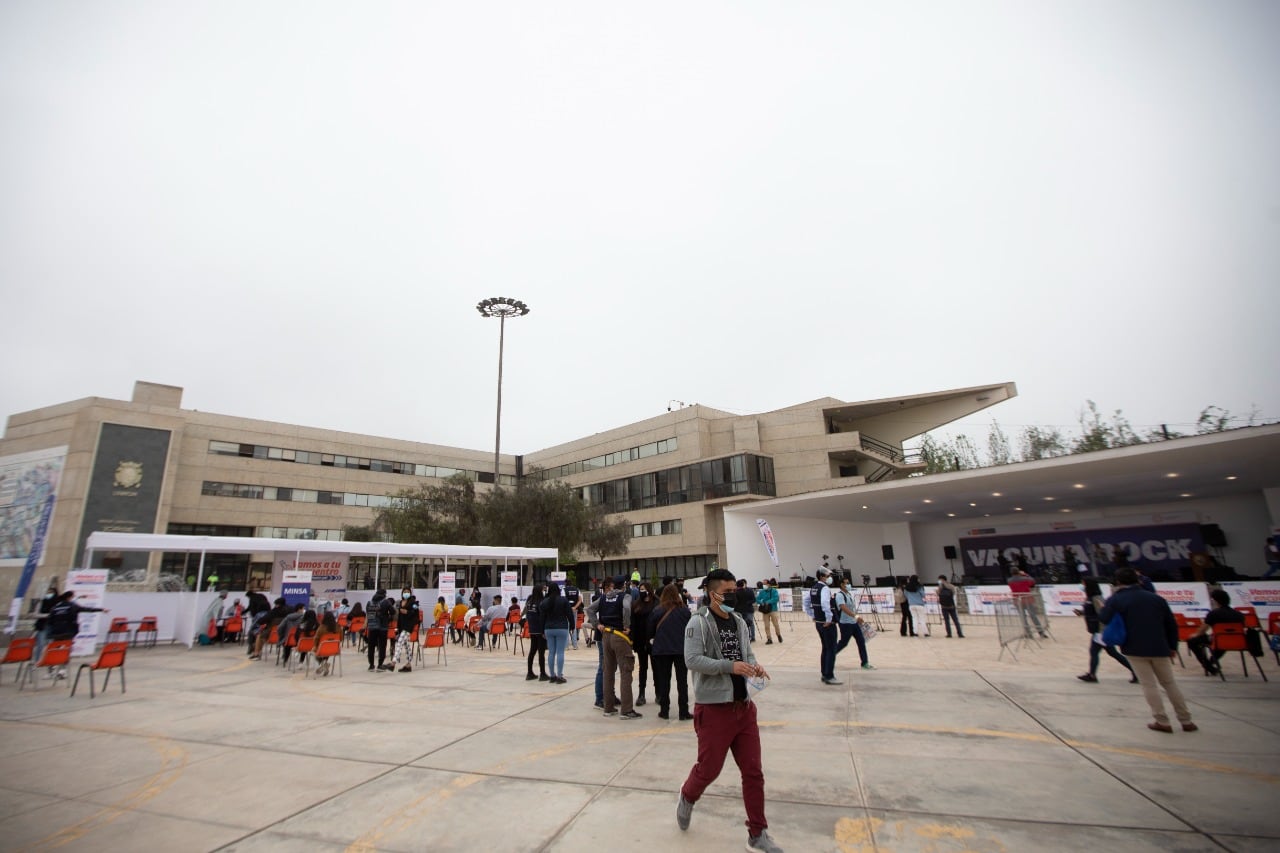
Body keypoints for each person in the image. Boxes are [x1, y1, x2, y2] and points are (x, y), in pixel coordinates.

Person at [678, 568, 781, 853]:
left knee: (753, 771)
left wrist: (754, 666)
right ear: (712, 594)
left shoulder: (738, 621)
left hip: (743, 708)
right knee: (709, 769)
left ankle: (757, 833)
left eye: (735, 591)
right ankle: (688, 795)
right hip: (714, 710)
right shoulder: (698, 623)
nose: (734, 596)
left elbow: (747, 654)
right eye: (728, 592)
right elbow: (692, 659)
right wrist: (729, 666)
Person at [1099, 567, 1197, 733]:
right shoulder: (1156, 598)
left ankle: (1162, 720)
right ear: (1138, 580)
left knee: (1149, 684)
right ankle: (1186, 719)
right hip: (1160, 645)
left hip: (1134, 647)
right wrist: (1172, 646)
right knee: (1169, 683)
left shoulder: (1117, 599)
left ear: (1118, 582)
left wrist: (1105, 605)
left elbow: (1104, 618)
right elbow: (1171, 624)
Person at [589, 576, 639, 718]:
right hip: (620, 636)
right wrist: (627, 625)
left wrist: (597, 624)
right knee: (626, 671)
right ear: (624, 585)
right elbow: (627, 608)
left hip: (606, 636)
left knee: (608, 672)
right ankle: (627, 710)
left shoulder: (604, 597)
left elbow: (590, 609)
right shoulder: (625, 596)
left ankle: (608, 707)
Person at [1075, 577, 1136, 683]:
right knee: (1110, 653)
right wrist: (1081, 612)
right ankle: (1135, 671)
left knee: (1098, 652)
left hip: (1100, 631)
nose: (1082, 586)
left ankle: (1092, 675)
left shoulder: (1096, 598)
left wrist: (1102, 631)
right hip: (1097, 630)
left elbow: (1103, 613)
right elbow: (1093, 611)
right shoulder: (1090, 598)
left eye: (1083, 584)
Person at [649, 582, 692, 720]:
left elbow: (650, 630)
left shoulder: (657, 610)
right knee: (682, 681)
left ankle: (664, 710)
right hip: (681, 649)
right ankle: (683, 711)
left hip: (662, 650)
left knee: (664, 681)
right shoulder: (685, 611)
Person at [1186, 588, 1246, 676]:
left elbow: (1202, 630)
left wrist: (1195, 634)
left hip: (1218, 640)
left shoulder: (1214, 613)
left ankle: (1208, 666)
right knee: (1224, 638)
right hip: (1238, 641)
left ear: (1215, 601)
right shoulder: (1239, 615)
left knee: (1192, 641)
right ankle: (1212, 660)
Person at [833, 576, 873, 670]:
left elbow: (852, 608)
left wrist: (857, 618)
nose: (849, 585)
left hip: (854, 623)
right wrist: (855, 616)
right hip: (845, 623)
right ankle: (830, 655)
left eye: (849, 583)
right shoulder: (840, 595)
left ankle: (864, 662)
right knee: (843, 643)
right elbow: (843, 608)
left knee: (861, 642)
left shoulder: (848, 594)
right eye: (847, 583)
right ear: (842, 585)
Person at [809, 566, 840, 685]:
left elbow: (806, 602)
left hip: (819, 622)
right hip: (827, 623)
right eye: (828, 576)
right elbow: (825, 603)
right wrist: (829, 618)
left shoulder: (813, 588)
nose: (830, 578)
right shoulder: (825, 588)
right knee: (831, 649)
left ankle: (824, 673)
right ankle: (829, 675)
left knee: (825, 648)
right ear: (822, 577)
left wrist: (813, 615)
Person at [541, 582, 572, 684]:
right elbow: (569, 614)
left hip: (548, 628)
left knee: (551, 652)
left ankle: (552, 675)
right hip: (561, 627)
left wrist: (542, 630)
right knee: (560, 652)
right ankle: (559, 676)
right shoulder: (563, 600)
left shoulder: (545, 601)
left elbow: (542, 617)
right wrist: (572, 625)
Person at [631, 582, 656, 705]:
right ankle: (641, 694)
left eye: (644, 589)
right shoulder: (636, 604)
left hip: (654, 640)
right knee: (643, 667)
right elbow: (633, 624)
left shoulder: (656, 603)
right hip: (640, 641)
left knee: (656, 667)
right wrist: (633, 641)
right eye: (640, 589)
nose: (642, 591)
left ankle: (659, 693)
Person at [1008, 567, 1047, 638]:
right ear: (1018, 572)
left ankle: (1028, 633)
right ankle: (1040, 632)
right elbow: (1032, 582)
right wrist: (1025, 574)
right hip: (1027, 599)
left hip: (1017, 600)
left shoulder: (1009, 580)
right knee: (1033, 616)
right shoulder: (1025, 578)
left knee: (1023, 617)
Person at [365, 589, 395, 671]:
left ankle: (371, 665)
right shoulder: (386, 602)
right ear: (384, 594)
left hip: (372, 627)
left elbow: (368, 614)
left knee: (371, 646)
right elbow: (393, 612)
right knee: (382, 646)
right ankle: (380, 665)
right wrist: (387, 616)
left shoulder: (369, 603)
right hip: (383, 627)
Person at [392, 587, 420, 673]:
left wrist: (407, 612)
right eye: (405, 592)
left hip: (409, 626)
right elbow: (399, 617)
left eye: (408, 592)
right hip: (402, 626)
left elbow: (416, 613)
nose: (406, 593)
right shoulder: (401, 602)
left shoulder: (413, 603)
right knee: (407, 646)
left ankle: (393, 663)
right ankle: (408, 665)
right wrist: (398, 628)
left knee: (399, 642)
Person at [524, 585, 548, 681]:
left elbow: (527, 614)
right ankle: (542, 673)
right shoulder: (541, 602)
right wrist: (543, 630)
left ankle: (529, 672)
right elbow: (542, 616)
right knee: (541, 652)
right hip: (540, 629)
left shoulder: (529, 602)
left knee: (532, 651)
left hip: (532, 629)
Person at [33, 583, 59, 661]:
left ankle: (50, 661)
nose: (49, 594)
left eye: (51, 592)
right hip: (42, 625)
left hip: (52, 625)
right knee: (40, 644)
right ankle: (37, 660)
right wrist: (47, 615)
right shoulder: (41, 602)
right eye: (48, 592)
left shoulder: (56, 603)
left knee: (51, 645)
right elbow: (35, 614)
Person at [314, 611, 340, 676]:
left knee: (316, 652)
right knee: (327, 648)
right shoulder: (338, 627)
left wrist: (315, 645)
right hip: (334, 649)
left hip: (322, 648)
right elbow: (341, 638)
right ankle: (325, 663)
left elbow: (316, 638)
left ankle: (323, 664)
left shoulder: (321, 628)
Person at [755, 579, 781, 645]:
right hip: (765, 611)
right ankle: (769, 638)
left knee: (776, 624)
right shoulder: (762, 591)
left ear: (769, 584)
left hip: (773, 610)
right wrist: (761, 602)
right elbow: (757, 599)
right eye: (763, 584)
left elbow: (776, 598)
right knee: (766, 626)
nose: (763, 585)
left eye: (765, 584)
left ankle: (778, 635)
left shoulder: (774, 591)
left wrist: (768, 602)